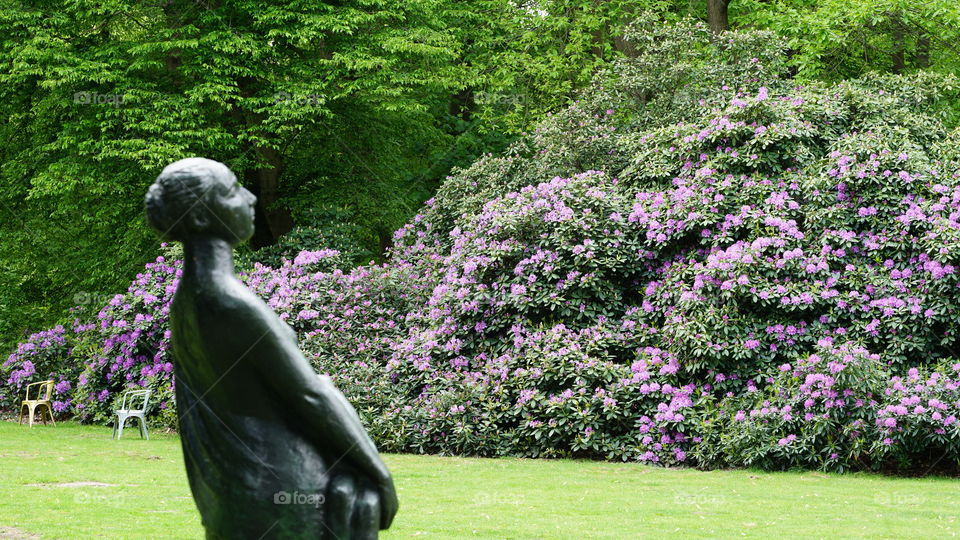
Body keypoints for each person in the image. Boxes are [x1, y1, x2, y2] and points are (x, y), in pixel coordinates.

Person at [145, 157, 397, 539]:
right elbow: (310, 394)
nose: (248, 198)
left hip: (236, 493)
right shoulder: (230, 302)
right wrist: (378, 473)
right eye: (231, 191)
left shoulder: (187, 301)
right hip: (283, 493)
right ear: (199, 217)